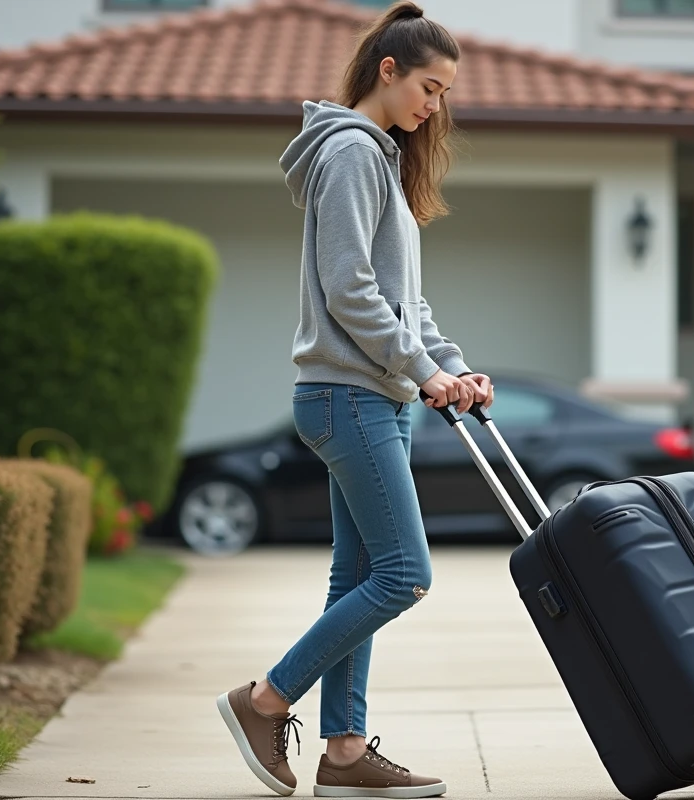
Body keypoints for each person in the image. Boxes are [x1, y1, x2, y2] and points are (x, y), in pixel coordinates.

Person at [216, 3, 493, 797]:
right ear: (388, 71)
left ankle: (343, 753)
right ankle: (262, 700)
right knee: (404, 575)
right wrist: (419, 369)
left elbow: (406, 304)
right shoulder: (349, 154)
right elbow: (350, 290)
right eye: (429, 87)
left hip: (378, 396)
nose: (434, 106)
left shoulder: (385, 164)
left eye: (443, 94)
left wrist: (451, 369)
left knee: (358, 578)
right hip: (348, 397)